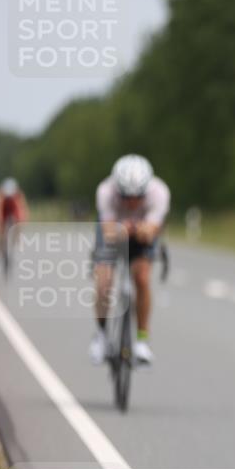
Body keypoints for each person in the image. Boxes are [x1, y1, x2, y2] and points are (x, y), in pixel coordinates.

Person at [89, 155, 170, 366]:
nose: (132, 202)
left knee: (142, 278)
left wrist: (138, 230)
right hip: (113, 232)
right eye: (126, 196)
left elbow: (150, 232)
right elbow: (108, 232)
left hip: (141, 234)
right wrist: (130, 228)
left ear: (147, 190)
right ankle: (101, 334)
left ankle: (142, 341)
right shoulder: (105, 191)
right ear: (117, 190)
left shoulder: (159, 192)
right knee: (103, 282)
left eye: (138, 196)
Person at [0, 178, 29, 263]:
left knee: (18, 225)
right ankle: (0, 246)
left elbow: (21, 209)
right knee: (0, 229)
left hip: (13, 209)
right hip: (4, 210)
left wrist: (21, 222)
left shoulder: (18, 195)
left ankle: (16, 241)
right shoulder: (0, 194)